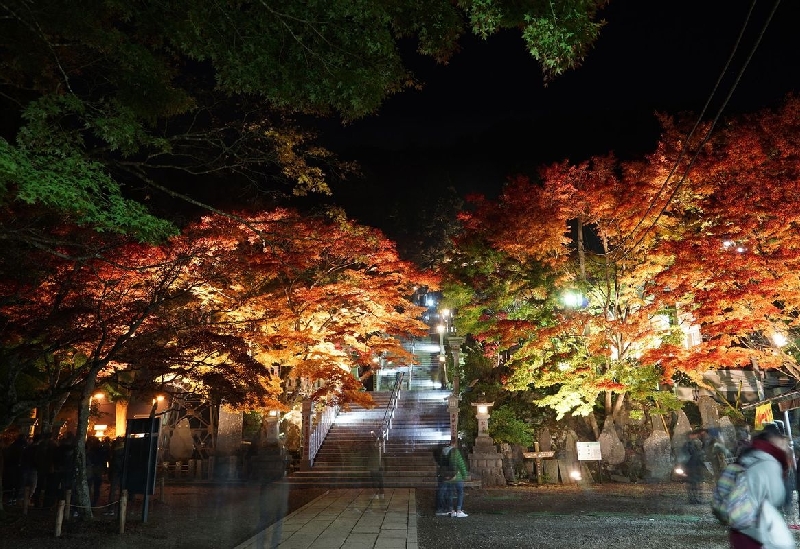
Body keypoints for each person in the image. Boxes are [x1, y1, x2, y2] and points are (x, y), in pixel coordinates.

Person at [730, 423, 793, 549]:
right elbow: (777, 496)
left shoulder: (749, 456)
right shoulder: (770, 463)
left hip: (739, 522)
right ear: (775, 441)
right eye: (784, 442)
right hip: (757, 527)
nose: (786, 447)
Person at [446, 442, 469, 517]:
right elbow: (461, 465)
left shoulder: (446, 453)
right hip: (458, 477)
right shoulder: (456, 453)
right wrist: (465, 476)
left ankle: (451, 510)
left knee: (450, 493)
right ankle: (459, 510)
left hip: (449, 477)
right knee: (460, 493)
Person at [683, 430, 706, 504]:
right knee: (693, 484)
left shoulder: (694, 444)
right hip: (691, 466)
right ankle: (693, 499)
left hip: (695, 466)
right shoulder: (688, 445)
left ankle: (695, 499)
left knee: (696, 484)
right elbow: (686, 456)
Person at [434, 444, 454, 515]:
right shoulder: (446, 455)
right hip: (446, 475)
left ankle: (446, 508)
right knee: (443, 492)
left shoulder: (442, 453)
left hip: (445, 475)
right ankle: (442, 508)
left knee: (446, 492)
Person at [368, 431, 384, 500]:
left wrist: (373, 434)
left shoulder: (373, 446)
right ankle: (382, 494)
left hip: (374, 465)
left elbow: (372, 446)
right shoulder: (381, 445)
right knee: (380, 479)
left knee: (374, 479)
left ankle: (376, 494)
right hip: (380, 464)